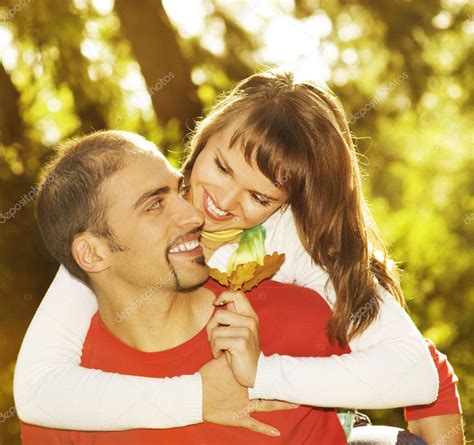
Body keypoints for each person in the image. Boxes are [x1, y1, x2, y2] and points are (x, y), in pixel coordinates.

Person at [14, 72, 462, 442]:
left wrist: (261, 374)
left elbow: (417, 371)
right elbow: (37, 390)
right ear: (202, 141)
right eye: (222, 168)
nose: (221, 203)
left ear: (284, 204)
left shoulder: (292, 242)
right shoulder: (119, 234)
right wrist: (200, 396)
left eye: (259, 196)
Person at [21, 131, 348, 443]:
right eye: (154, 205)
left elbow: (389, 356)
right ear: (92, 253)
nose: (193, 215)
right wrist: (197, 395)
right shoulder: (65, 406)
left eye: (179, 191)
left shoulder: (296, 319)